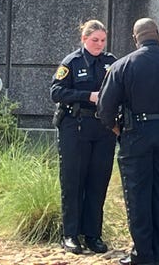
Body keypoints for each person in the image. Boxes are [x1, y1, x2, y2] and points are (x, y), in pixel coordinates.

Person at [97, 18, 159, 265]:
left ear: (136, 38)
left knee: (138, 194)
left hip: (136, 133)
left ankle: (142, 253)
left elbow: (104, 107)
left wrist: (117, 129)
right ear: (158, 35)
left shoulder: (123, 65)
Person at [50, 19, 117, 255]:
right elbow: (56, 92)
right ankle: (70, 235)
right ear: (84, 39)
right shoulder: (72, 62)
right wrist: (87, 95)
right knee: (73, 181)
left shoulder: (111, 62)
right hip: (75, 126)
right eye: (94, 40)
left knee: (98, 182)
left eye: (102, 40)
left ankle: (93, 234)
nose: (99, 44)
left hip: (103, 129)